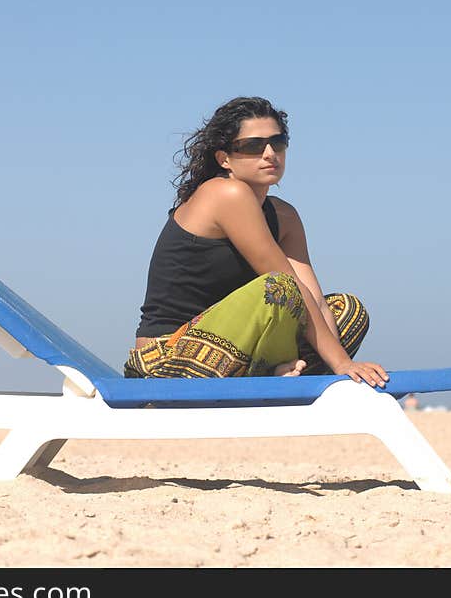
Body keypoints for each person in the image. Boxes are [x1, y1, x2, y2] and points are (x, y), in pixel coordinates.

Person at [124, 96, 388, 388]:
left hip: (240, 350)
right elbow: (290, 286)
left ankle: (286, 374)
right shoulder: (225, 194)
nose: (269, 153)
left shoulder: (284, 216)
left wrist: (341, 367)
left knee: (347, 311)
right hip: (169, 358)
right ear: (224, 159)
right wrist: (340, 362)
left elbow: (314, 300)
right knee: (280, 287)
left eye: (278, 142)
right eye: (252, 146)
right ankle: (274, 373)